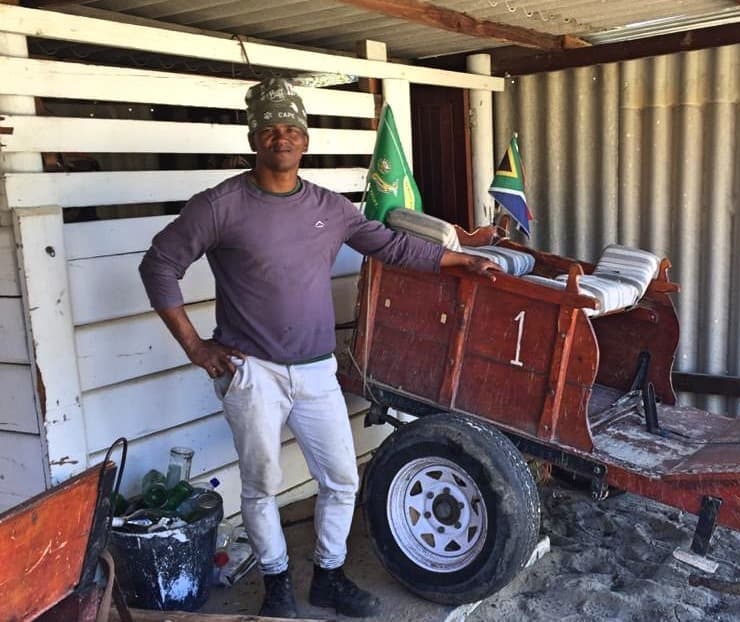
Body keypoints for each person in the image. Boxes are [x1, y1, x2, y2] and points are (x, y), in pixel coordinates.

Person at [139, 77, 499, 618]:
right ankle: (277, 585)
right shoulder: (220, 205)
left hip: (315, 372)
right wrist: (195, 347)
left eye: (290, 129)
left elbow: (392, 245)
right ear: (253, 140)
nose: (280, 137)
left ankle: (328, 577)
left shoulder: (331, 208)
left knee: (341, 478)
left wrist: (461, 260)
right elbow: (159, 265)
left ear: (305, 140)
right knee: (261, 484)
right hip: (251, 371)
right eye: (268, 130)